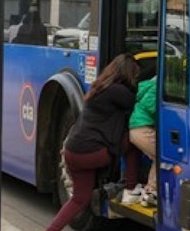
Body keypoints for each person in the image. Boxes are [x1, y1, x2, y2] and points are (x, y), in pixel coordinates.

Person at [47, 53, 140, 231]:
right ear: (128, 74)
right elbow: (136, 101)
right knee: (134, 140)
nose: (135, 79)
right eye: (135, 75)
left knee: (80, 198)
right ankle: (131, 189)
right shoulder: (119, 92)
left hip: (72, 151)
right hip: (91, 154)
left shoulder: (99, 87)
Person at [121, 74, 158, 206]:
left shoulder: (147, 86)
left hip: (135, 129)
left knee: (156, 157)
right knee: (163, 156)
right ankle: (150, 192)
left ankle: (149, 192)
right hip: (142, 129)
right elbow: (152, 107)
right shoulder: (156, 87)